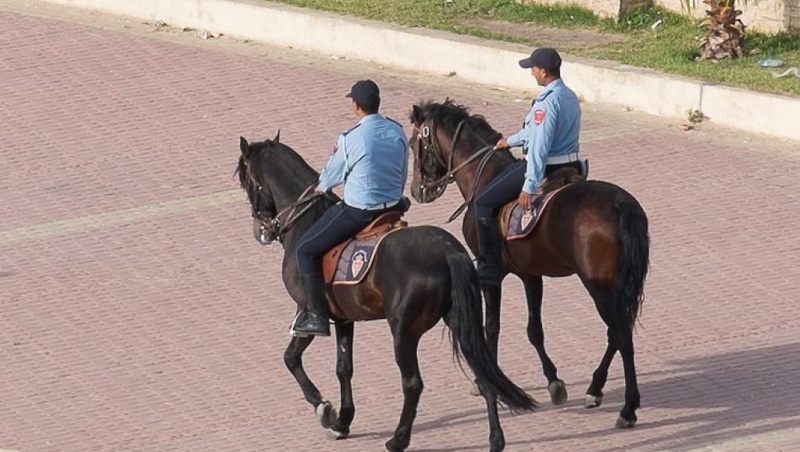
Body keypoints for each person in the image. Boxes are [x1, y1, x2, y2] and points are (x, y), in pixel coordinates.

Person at [292, 79, 409, 337]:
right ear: (377, 103)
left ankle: (317, 318)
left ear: (356, 106)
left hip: (360, 213)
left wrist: (321, 186)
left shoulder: (351, 139)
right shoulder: (398, 131)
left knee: (305, 250)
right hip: (393, 207)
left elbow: (330, 178)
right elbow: (402, 173)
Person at [473, 47, 582, 287]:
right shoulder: (569, 95)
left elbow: (540, 147)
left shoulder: (546, 103)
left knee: (483, 202)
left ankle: (489, 266)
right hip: (572, 164)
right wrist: (509, 141)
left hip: (547, 167)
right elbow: (534, 132)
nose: (531, 72)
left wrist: (529, 185)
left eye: (533, 68)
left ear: (544, 72)